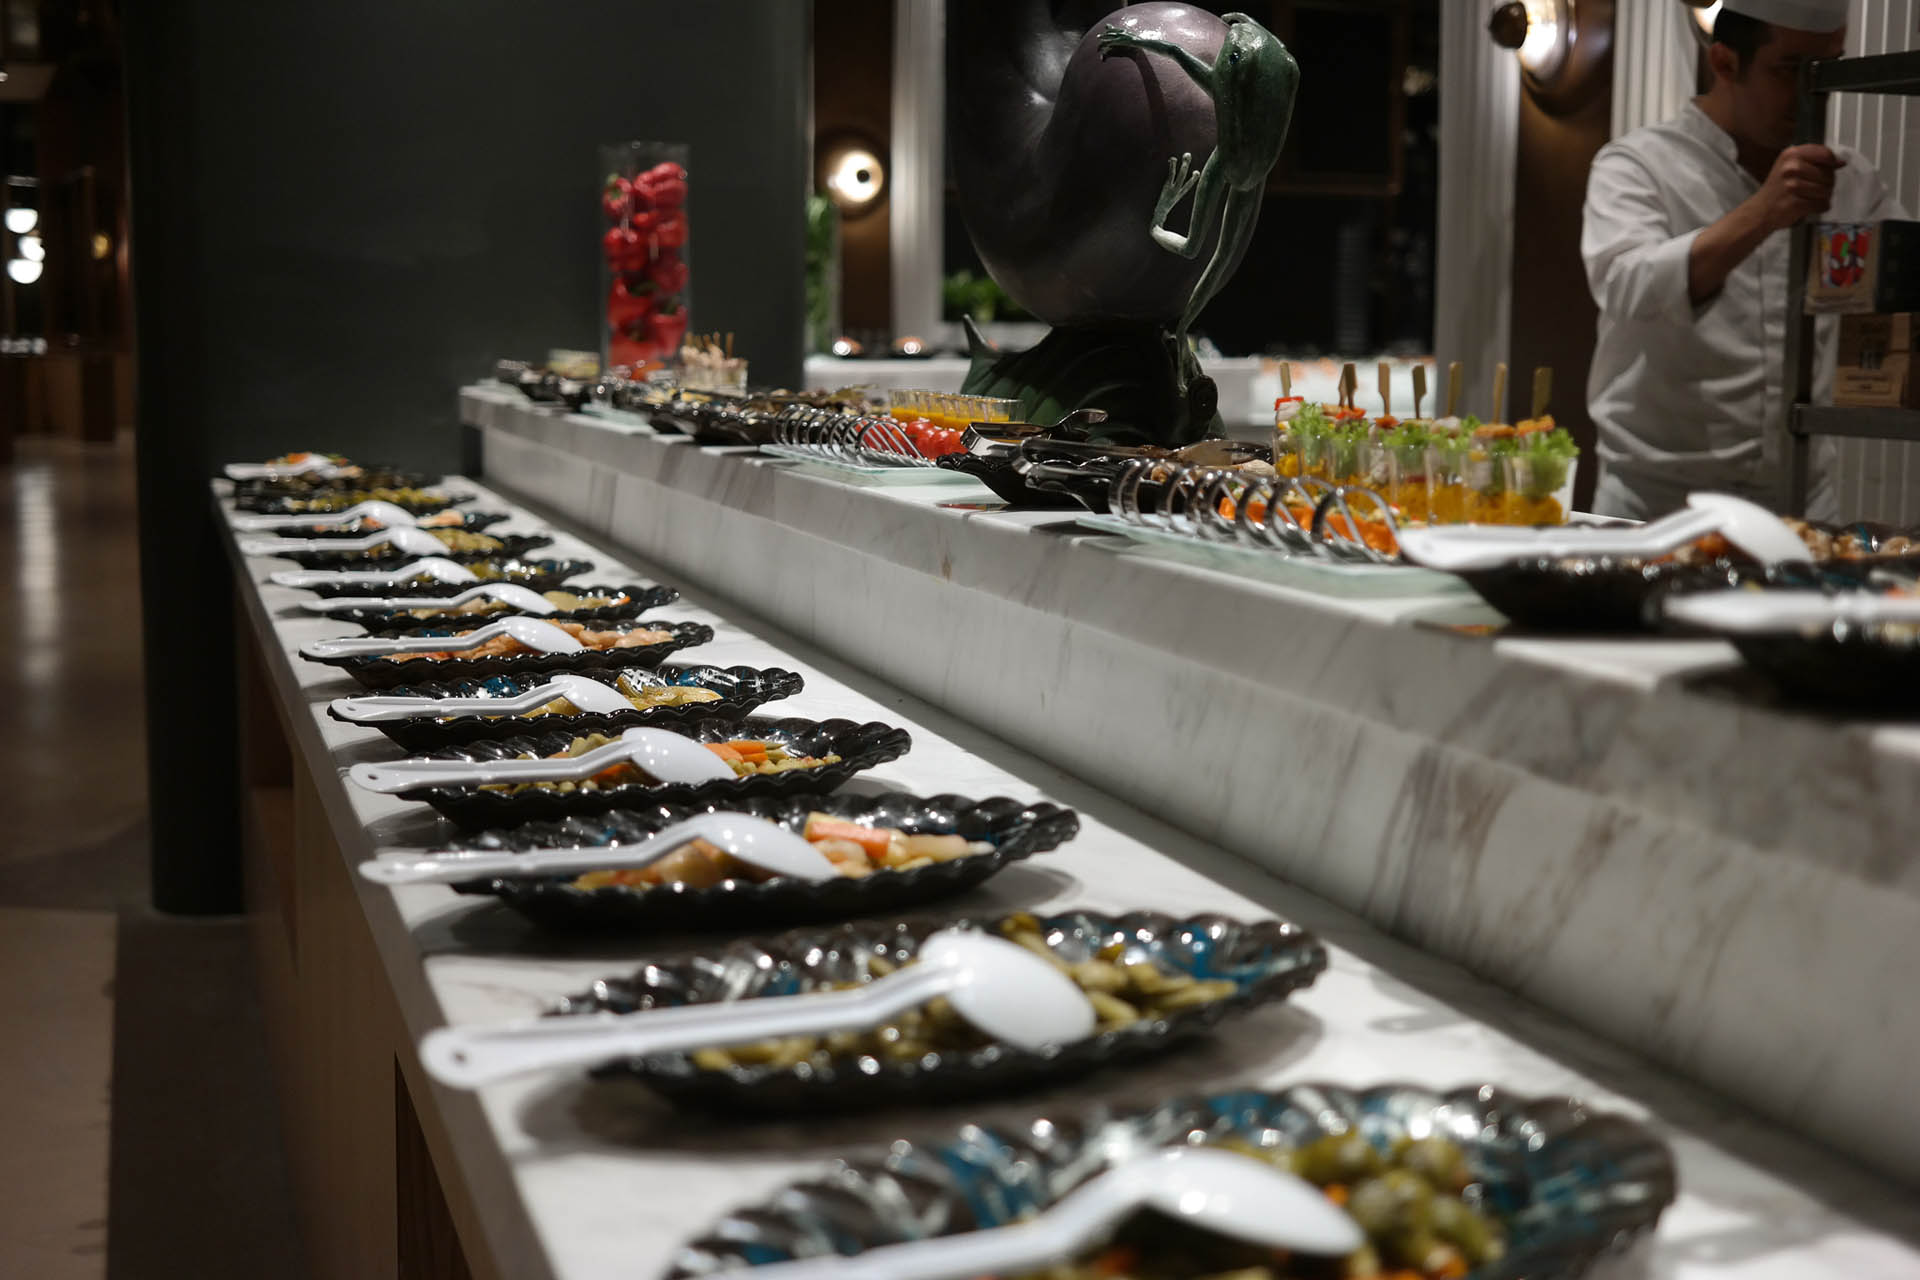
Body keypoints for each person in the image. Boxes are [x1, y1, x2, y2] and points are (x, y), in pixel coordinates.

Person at [1581, 0, 1907, 520]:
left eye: (1829, 68)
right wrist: (1761, 212)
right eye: (1791, 70)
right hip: (1657, 500)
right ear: (1725, 62)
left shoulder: (1851, 178)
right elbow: (1626, 288)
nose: (1813, 89)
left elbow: (1906, 281)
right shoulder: (1639, 164)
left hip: (1800, 496)